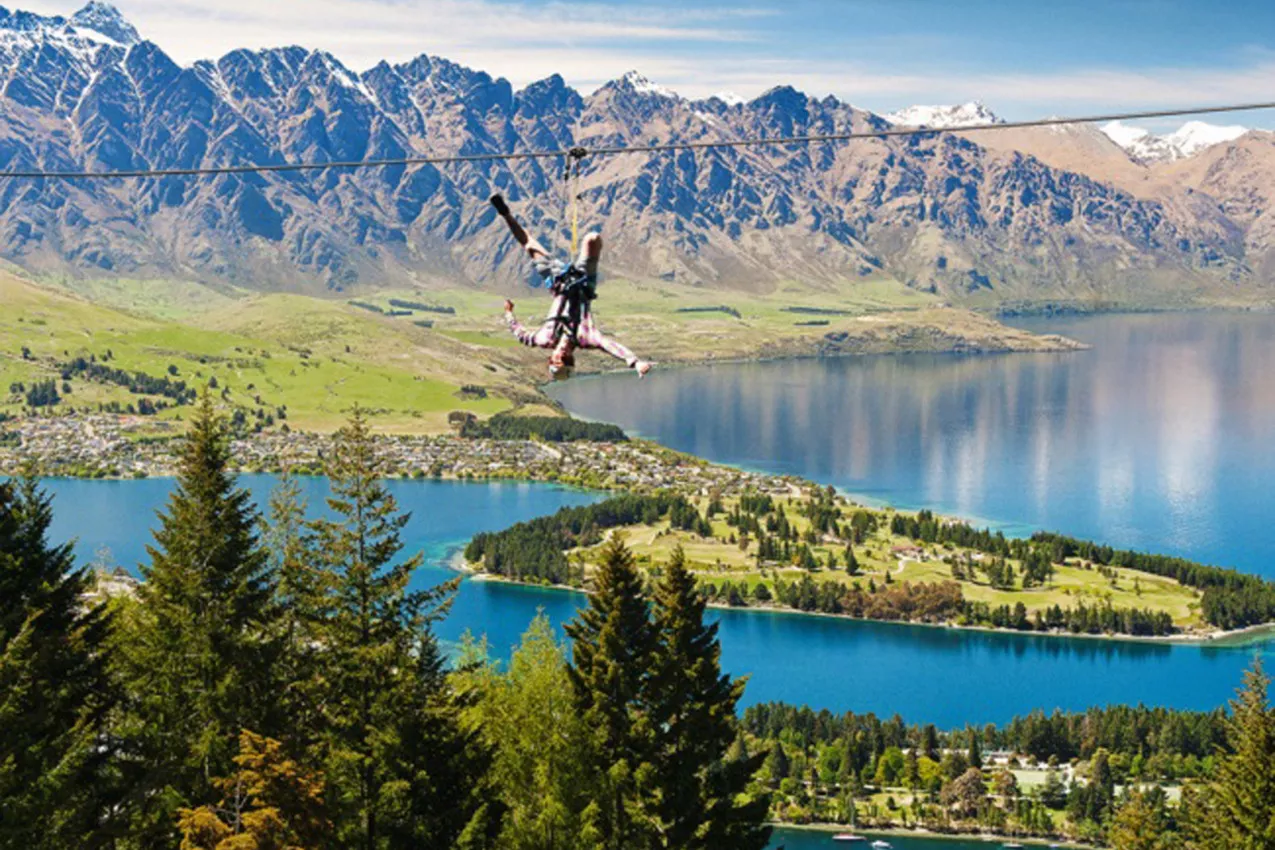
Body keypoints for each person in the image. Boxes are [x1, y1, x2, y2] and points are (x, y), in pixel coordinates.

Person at [491, 193, 651, 381]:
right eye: (565, 360)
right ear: (571, 359)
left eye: (556, 360)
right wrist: (634, 361)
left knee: (529, 246)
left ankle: (505, 213)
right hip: (583, 282)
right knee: (592, 238)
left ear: (551, 358)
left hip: (557, 280)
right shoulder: (586, 337)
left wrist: (509, 313)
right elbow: (610, 346)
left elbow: (521, 335)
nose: (561, 356)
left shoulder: (544, 339)